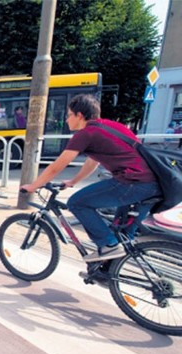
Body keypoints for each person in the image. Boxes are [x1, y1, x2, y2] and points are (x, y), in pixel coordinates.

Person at [20, 94, 160, 262]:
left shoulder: (86, 133)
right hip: (153, 185)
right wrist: (73, 182)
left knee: (77, 203)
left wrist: (34, 186)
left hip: (133, 182)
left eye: (69, 115)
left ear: (79, 115)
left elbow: (57, 166)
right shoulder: (112, 126)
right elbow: (92, 162)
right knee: (122, 236)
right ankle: (111, 272)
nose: (66, 120)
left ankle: (108, 246)